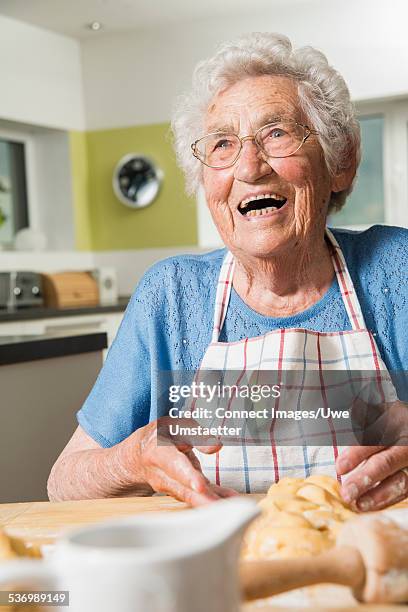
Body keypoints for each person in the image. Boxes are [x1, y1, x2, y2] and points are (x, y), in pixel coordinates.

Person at [48, 32, 408, 511]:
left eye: (276, 133)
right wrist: (133, 459)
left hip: (368, 572)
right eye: (222, 144)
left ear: (340, 162)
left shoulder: (395, 269)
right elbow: (63, 482)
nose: (249, 166)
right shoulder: (172, 295)